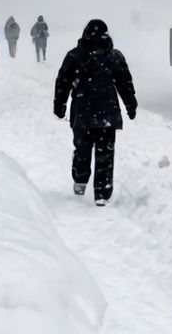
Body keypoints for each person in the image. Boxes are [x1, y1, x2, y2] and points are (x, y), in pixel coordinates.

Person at [54, 20, 137, 206]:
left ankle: (80, 181)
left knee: (82, 150)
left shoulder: (74, 56)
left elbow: (63, 82)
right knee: (105, 155)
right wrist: (131, 105)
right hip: (108, 114)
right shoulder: (114, 57)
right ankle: (102, 193)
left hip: (82, 114)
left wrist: (60, 105)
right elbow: (125, 83)